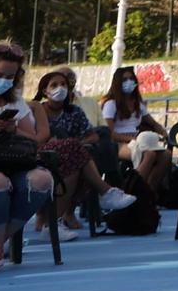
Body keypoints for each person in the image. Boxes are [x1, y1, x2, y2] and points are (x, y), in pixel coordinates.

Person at [0, 42, 54, 271]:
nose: (4, 80)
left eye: (10, 76)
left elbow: (34, 140)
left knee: (42, 180)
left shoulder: (15, 101)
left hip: (13, 160)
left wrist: (12, 129)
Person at [33, 68, 136, 238]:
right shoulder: (38, 111)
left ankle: (54, 224)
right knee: (80, 156)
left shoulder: (74, 111)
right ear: (45, 91)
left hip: (71, 158)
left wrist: (76, 144)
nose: (61, 88)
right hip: (44, 157)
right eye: (55, 85)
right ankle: (106, 191)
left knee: (83, 154)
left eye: (64, 84)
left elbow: (93, 135)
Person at [100, 64, 171, 197]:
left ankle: (149, 192)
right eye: (125, 80)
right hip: (118, 143)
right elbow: (109, 132)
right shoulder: (111, 104)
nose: (129, 82)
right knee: (149, 154)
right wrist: (132, 139)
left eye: (131, 79)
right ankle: (132, 192)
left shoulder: (137, 103)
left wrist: (162, 131)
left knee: (166, 155)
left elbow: (153, 123)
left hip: (140, 139)